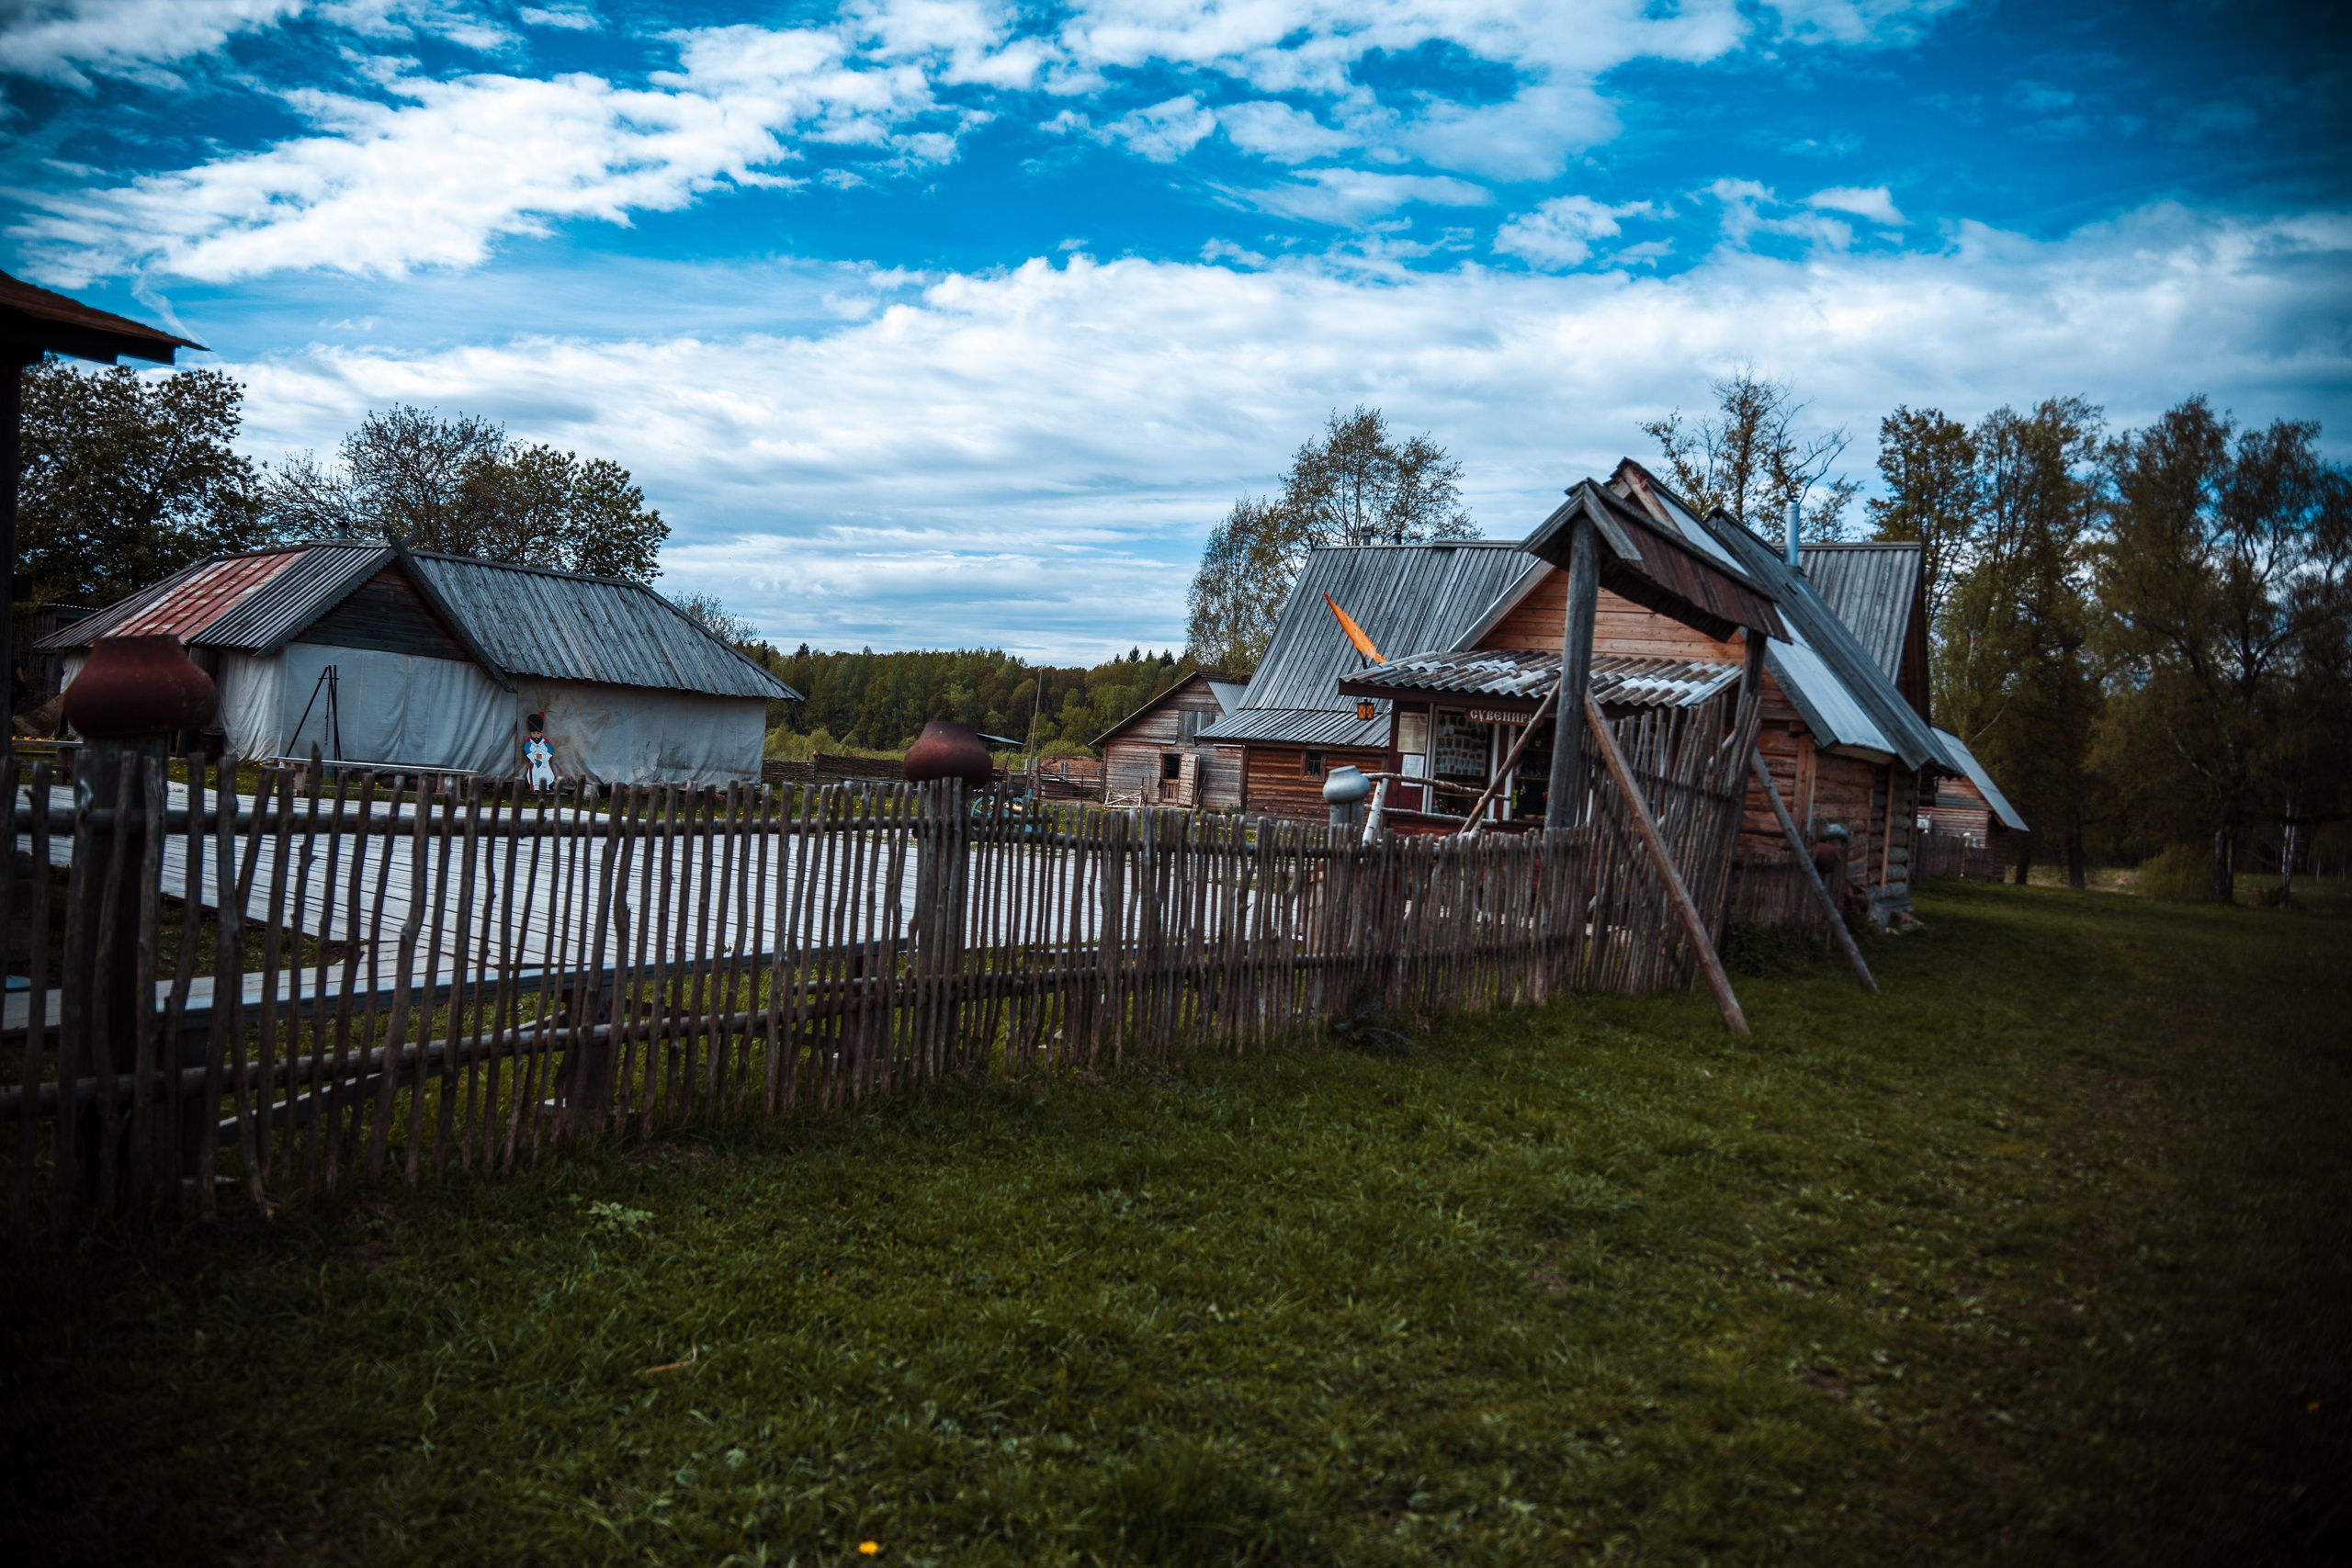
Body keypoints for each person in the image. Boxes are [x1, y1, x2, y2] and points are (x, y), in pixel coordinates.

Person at [524, 712, 557, 791]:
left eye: (538, 733)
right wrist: (533, 759)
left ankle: (546, 786)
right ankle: (535, 787)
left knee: (545, 773)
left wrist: (546, 758)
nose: (536, 735)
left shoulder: (545, 741)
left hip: (544, 760)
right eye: (534, 733)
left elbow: (550, 750)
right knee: (535, 773)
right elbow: (527, 750)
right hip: (534, 760)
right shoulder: (529, 741)